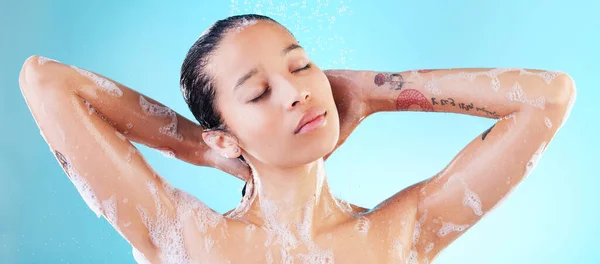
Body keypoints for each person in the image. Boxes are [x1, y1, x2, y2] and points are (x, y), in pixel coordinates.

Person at [19, 14, 576, 264]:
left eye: (303, 66)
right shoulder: (182, 238)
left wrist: (378, 89)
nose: (295, 93)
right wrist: (199, 147)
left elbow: (549, 98)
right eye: (258, 93)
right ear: (225, 134)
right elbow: (45, 79)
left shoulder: (401, 231)